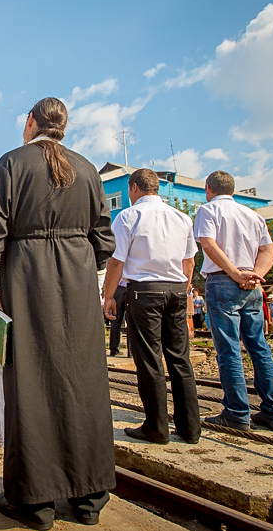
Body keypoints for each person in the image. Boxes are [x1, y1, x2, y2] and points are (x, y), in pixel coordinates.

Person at [0, 97, 115, 530]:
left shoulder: (11, 163)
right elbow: (104, 240)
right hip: (78, 283)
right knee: (84, 383)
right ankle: (89, 498)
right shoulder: (89, 170)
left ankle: (32, 503)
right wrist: (90, 289)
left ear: (30, 122)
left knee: (30, 384)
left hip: (27, 281)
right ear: (64, 127)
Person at [102, 168, 200, 445]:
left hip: (144, 291)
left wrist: (109, 296)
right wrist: (184, 289)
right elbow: (189, 262)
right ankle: (190, 427)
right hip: (176, 289)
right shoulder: (182, 218)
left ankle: (156, 427)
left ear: (134, 188)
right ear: (156, 188)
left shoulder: (129, 216)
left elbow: (117, 261)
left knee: (149, 359)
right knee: (180, 358)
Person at [194, 171, 273, 433]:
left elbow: (209, 246)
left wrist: (235, 273)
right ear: (232, 189)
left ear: (208, 188)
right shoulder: (253, 215)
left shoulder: (208, 210)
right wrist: (257, 274)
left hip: (223, 281)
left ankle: (236, 412)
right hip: (252, 284)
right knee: (259, 346)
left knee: (229, 349)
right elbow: (269, 249)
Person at [108, 283, 127, 356]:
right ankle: (131, 352)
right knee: (131, 322)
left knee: (115, 321)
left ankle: (114, 349)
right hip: (131, 285)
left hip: (118, 288)